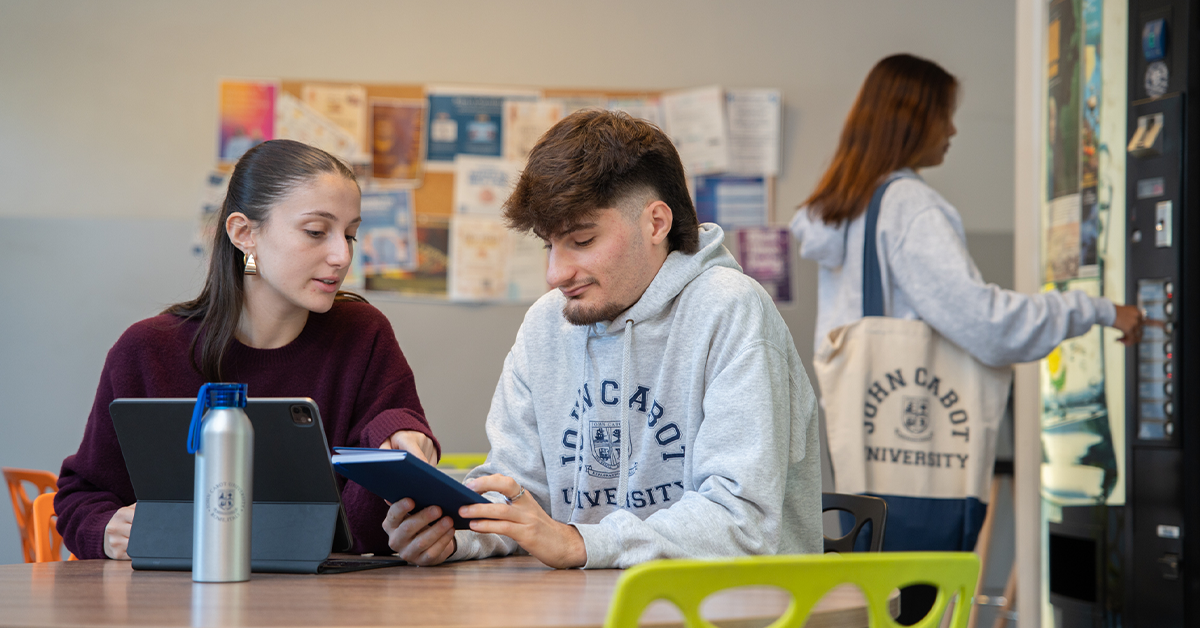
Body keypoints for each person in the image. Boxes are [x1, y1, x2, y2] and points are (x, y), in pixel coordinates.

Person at [383, 109, 823, 569]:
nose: (555, 274)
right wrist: (456, 533)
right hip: (590, 601)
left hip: (735, 610)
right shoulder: (546, 324)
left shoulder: (731, 310)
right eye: (549, 244)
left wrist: (580, 543)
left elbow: (742, 522)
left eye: (583, 239)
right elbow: (521, 492)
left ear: (656, 223)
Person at [790, 53, 1143, 623]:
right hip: (924, 467)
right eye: (945, 115)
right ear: (913, 119)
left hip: (863, 466)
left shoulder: (844, 211)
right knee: (923, 603)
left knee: (885, 604)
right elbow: (988, 326)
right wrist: (1096, 310)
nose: (952, 130)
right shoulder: (908, 206)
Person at [56, 139, 439, 560]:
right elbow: (81, 498)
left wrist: (402, 433)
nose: (341, 255)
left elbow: (382, 488)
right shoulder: (146, 349)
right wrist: (106, 528)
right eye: (316, 232)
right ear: (244, 233)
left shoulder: (364, 335)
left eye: (350, 234)